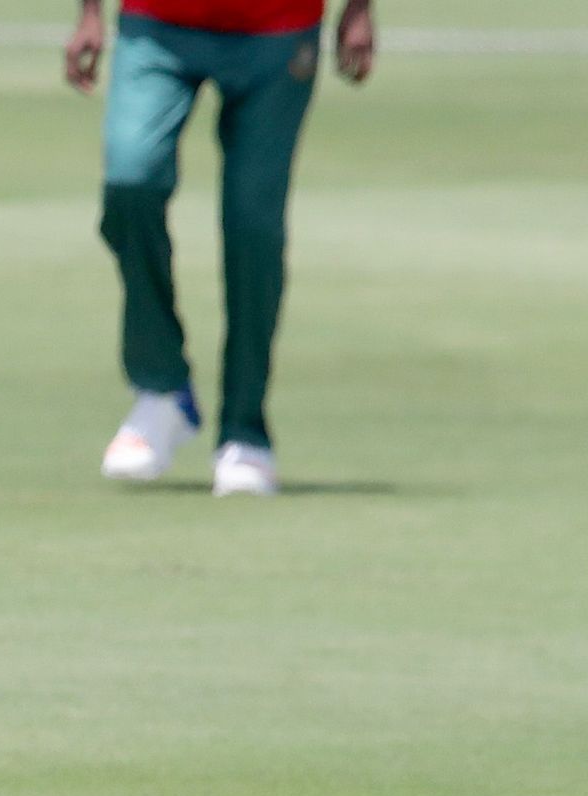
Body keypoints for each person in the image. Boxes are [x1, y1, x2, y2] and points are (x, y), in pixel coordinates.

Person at [66, 0, 375, 495]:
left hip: (278, 29)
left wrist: (359, 9)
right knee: (131, 181)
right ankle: (162, 385)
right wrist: (88, 12)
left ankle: (244, 431)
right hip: (157, 24)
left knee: (254, 226)